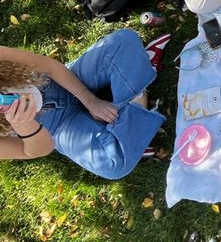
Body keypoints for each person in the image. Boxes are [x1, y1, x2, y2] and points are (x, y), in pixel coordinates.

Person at [0, 29, 164, 178]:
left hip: (59, 83)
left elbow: (50, 67)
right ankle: (137, 95)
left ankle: (132, 133)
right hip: (57, 126)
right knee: (113, 164)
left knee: (123, 42)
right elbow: (36, 150)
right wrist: (25, 126)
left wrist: (90, 101)